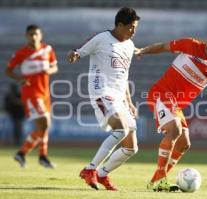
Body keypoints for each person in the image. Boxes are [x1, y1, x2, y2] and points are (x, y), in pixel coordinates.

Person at [135, 26, 207, 191]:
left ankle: (155, 180)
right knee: (175, 130)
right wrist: (144, 50)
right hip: (161, 93)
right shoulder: (190, 45)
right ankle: (161, 178)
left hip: (175, 105)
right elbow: (163, 46)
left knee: (184, 144)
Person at [67, 7, 140, 191]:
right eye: (131, 27)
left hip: (120, 97)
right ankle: (90, 169)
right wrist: (74, 55)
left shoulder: (130, 46)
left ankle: (102, 174)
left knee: (132, 148)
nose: (133, 31)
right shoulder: (101, 38)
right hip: (102, 92)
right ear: (119, 25)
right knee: (121, 129)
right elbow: (79, 51)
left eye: (135, 27)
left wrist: (129, 102)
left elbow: (124, 77)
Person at [5, 24, 58, 168]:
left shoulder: (48, 49)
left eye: (36, 34)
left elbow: (55, 66)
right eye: (31, 34)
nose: (33, 37)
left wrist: (49, 70)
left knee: (43, 127)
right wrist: (18, 79)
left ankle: (22, 153)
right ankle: (42, 156)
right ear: (26, 36)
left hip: (45, 93)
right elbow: (8, 70)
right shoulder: (21, 53)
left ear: (40, 35)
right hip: (31, 92)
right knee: (45, 123)